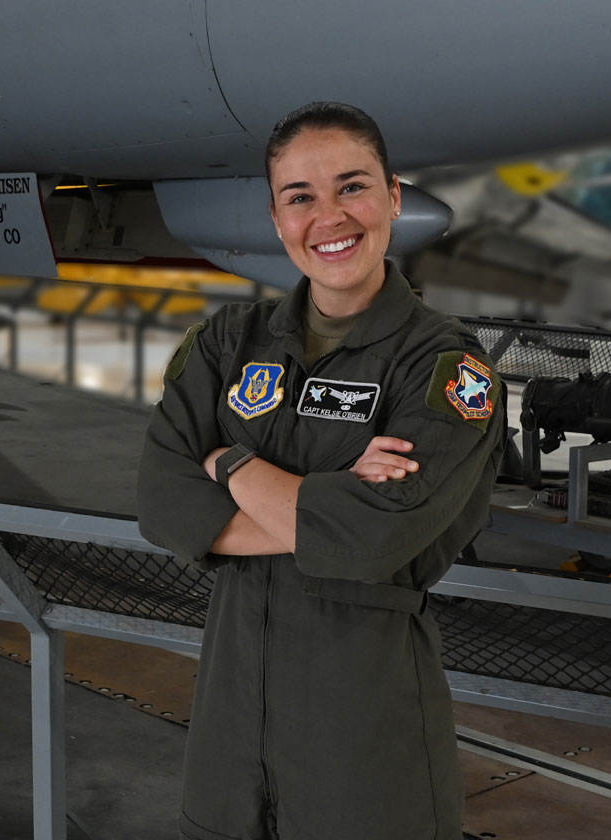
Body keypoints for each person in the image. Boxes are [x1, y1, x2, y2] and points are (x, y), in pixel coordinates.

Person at [136, 101, 506, 840]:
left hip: (363, 737)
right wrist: (327, 502)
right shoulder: (228, 342)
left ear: (393, 199)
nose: (329, 217)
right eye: (300, 197)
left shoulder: (444, 365)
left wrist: (228, 460)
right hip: (229, 733)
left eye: (353, 187)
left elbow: (373, 541)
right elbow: (161, 501)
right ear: (276, 218)